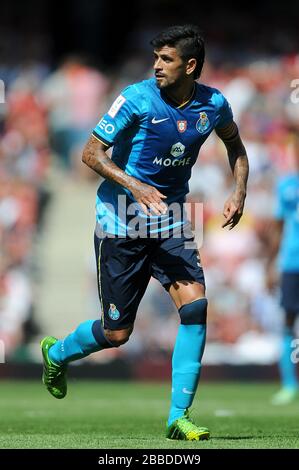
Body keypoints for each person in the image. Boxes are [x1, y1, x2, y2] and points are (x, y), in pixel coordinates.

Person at [41, 24, 249, 440]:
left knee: (195, 307)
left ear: (190, 66)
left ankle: (178, 416)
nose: (156, 65)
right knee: (117, 333)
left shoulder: (214, 104)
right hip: (122, 218)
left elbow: (236, 147)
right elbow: (89, 153)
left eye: (166, 59)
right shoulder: (135, 99)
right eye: (155, 57)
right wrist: (136, 185)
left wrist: (238, 191)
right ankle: (58, 352)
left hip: (170, 217)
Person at [267, 135, 299, 405]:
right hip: (292, 262)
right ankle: (289, 384)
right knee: (288, 322)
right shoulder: (287, 185)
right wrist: (270, 264)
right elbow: (278, 227)